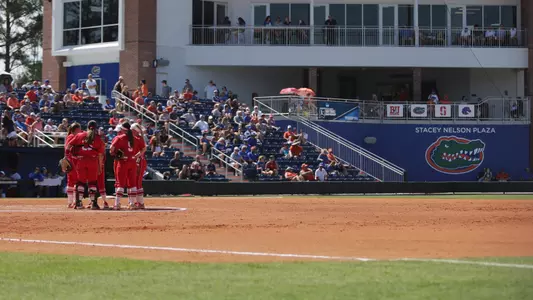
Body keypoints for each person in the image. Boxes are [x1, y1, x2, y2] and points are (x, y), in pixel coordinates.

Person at [67, 121, 105, 209]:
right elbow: (100, 155)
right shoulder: (98, 139)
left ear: (87, 127)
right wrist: (99, 167)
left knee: (80, 182)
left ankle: (78, 203)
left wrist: (68, 156)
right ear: (96, 128)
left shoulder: (80, 135)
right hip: (93, 161)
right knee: (92, 182)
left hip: (81, 161)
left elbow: (69, 145)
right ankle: (94, 203)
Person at [110, 122, 139, 210]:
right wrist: (134, 156)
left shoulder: (119, 138)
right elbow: (142, 149)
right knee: (132, 184)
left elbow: (111, 149)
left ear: (122, 129)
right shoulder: (135, 138)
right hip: (132, 162)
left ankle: (117, 204)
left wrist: (114, 154)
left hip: (123, 162)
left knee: (120, 184)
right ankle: (132, 203)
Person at [131, 123, 147, 209]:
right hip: (135, 161)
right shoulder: (135, 138)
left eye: (132, 130)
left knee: (138, 182)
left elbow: (144, 149)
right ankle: (137, 202)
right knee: (134, 181)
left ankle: (141, 203)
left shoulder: (139, 138)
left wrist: (136, 156)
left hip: (140, 161)